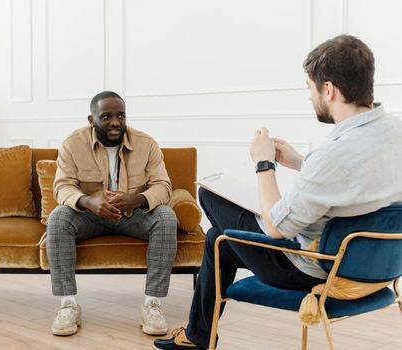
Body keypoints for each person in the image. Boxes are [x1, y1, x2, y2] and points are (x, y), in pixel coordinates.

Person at [154, 34, 402, 350]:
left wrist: (264, 164)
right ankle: (196, 336)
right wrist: (301, 162)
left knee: (211, 201)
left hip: (315, 267)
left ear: (329, 89)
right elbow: (360, 181)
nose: (311, 97)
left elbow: (275, 227)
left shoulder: (331, 158)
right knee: (220, 240)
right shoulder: (395, 132)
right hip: (380, 269)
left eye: (311, 89)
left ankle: (197, 337)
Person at [46, 91, 178, 336]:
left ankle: (152, 304)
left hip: (133, 215)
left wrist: (137, 199)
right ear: (91, 119)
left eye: (120, 115)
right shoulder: (72, 143)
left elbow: (163, 185)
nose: (115, 122)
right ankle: (68, 305)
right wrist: (87, 201)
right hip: (90, 216)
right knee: (58, 218)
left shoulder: (146, 143)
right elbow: (61, 186)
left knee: (166, 217)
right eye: (106, 116)